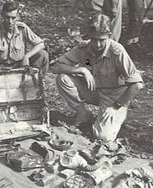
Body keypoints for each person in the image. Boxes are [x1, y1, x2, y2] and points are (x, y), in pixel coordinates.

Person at [53, 13, 144, 142]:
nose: (97, 44)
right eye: (94, 39)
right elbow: (56, 67)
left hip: (113, 98)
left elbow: (137, 85)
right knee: (63, 78)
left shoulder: (117, 51)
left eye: (102, 40)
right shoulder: (84, 48)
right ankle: (84, 115)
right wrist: (81, 69)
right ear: (89, 36)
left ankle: (118, 115)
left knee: (103, 137)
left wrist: (116, 106)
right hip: (93, 90)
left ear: (109, 36)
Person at [0, 1, 49, 78]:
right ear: (2, 16)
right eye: (7, 17)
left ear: (17, 17)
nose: (10, 21)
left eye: (13, 18)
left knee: (43, 54)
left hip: (21, 65)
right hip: (2, 69)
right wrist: (4, 75)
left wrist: (27, 56)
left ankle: (38, 82)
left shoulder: (22, 28)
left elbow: (40, 44)